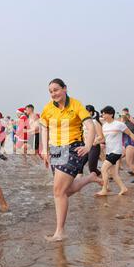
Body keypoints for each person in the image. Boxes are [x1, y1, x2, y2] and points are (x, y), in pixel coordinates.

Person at [39, 79, 100, 242]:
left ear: (65, 89)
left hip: (74, 147)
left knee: (58, 192)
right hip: (56, 150)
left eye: (56, 90)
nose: (53, 93)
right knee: (64, 191)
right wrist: (44, 149)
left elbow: (90, 126)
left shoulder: (75, 105)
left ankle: (60, 232)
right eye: (50, 91)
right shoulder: (48, 108)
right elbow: (44, 127)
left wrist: (88, 146)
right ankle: (90, 178)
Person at [96, 106, 134, 197]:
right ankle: (123, 188)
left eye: (104, 113)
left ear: (111, 114)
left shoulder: (119, 124)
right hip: (109, 151)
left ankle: (104, 189)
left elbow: (130, 134)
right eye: (102, 113)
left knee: (103, 169)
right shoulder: (104, 126)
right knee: (114, 174)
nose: (103, 115)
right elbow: (104, 139)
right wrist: (97, 141)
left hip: (116, 151)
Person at [121, 113, 134, 183]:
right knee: (120, 158)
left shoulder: (127, 125)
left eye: (120, 119)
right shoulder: (129, 124)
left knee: (130, 162)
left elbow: (133, 135)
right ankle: (114, 174)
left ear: (123, 120)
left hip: (131, 144)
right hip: (128, 144)